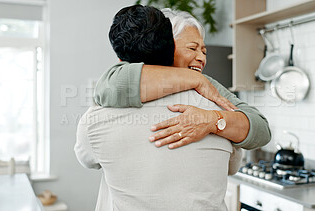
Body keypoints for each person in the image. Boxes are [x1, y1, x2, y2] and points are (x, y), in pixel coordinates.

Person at [75, 5, 244, 210]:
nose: (201, 57)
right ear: (170, 49)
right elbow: (232, 166)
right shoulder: (221, 111)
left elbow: (86, 158)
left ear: (121, 62)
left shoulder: (96, 118)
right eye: (192, 48)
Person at [94, 8, 271, 150]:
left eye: (204, 51)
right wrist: (194, 79)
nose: (202, 57)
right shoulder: (126, 75)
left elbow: (261, 129)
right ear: (166, 45)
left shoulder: (208, 84)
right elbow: (111, 86)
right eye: (192, 48)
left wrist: (212, 120)